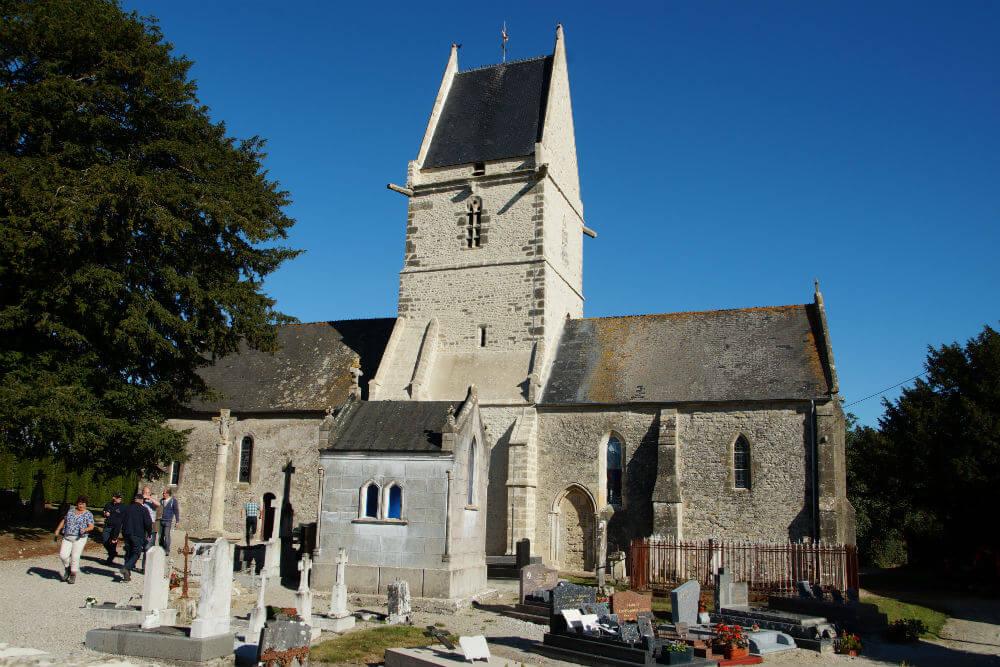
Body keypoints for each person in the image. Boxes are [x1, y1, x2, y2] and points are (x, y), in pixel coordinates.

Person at [53, 495, 95, 584]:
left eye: (83, 504)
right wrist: (57, 529)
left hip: (79, 538)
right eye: (79, 504)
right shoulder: (71, 511)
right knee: (63, 555)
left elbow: (91, 526)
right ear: (77, 503)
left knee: (75, 557)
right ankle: (67, 568)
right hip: (67, 537)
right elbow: (64, 521)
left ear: (86, 504)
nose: (81, 506)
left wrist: (85, 529)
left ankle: (73, 574)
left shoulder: (88, 514)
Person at [119, 493, 152, 582]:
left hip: (127, 533)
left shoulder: (127, 508)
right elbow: (148, 523)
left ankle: (127, 576)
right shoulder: (144, 509)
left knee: (128, 552)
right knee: (136, 553)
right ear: (141, 500)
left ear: (135, 500)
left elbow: (121, 520)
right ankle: (126, 568)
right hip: (138, 534)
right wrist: (149, 533)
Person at [101, 492, 125, 565]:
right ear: (114, 497)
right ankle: (112, 553)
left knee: (113, 542)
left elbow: (123, 517)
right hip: (107, 525)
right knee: (105, 540)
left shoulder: (122, 506)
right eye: (118, 497)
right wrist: (105, 514)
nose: (119, 499)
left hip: (116, 527)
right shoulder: (108, 505)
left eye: (120, 498)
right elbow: (104, 512)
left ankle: (110, 559)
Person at [140, 485, 160, 572]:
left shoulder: (152, 502)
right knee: (140, 547)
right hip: (141, 526)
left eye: (148, 492)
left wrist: (149, 498)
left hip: (151, 526)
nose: (146, 494)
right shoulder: (140, 502)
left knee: (149, 547)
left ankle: (145, 568)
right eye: (145, 492)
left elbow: (158, 504)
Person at [158, 488, 180, 554]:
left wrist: (177, 521)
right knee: (160, 536)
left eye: (164, 493)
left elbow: (176, 511)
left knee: (166, 535)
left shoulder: (173, 501)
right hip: (161, 520)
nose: (163, 494)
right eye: (163, 493)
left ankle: (167, 550)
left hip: (168, 521)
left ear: (168, 494)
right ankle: (161, 549)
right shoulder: (161, 500)